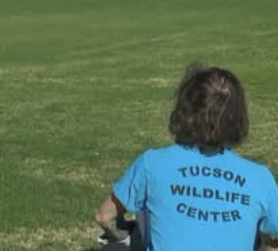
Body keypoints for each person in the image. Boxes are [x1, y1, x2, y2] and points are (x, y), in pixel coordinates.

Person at [95, 65, 278, 251]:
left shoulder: (152, 163)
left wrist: (128, 238)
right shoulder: (260, 178)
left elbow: (103, 217)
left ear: (185, 109)